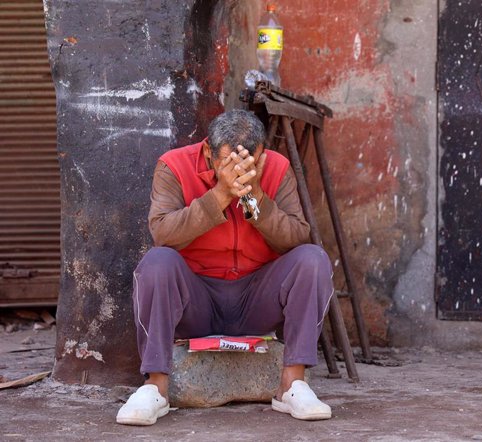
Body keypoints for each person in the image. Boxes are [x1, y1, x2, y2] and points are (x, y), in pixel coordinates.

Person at [116, 109, 334, 425]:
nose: (240, 170)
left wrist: (255, 196)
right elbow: (162, 233)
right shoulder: (174, 166)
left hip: (256, 299)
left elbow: (296, 237)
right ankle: (156, 387)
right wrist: (220, 194)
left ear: (262, 154)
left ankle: (292, 384)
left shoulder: (276, 167)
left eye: (250, 162)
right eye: (227, 163)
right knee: (157, 262)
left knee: (312, 259)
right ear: (208, 151)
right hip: (197, 300)